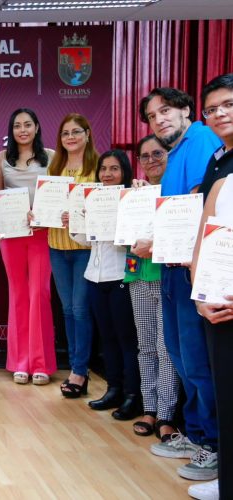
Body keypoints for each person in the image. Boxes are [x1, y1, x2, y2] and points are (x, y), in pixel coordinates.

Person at [139, 87, 221, 482]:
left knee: (196, 361)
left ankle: (214, 445)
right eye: (153, 116)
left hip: (193, 267)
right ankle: (196, 433)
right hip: (171, 266)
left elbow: (200, 202)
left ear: (188, 111)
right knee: (179, 354)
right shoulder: (175, 153)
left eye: (166, 111)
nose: (160, 120)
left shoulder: (203, 139)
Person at [187, 72, 233, 500]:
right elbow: (206, 228)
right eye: (213, 109)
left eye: (229, 105)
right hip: (216, 296)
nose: (220, 114)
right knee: (224, 387)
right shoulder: (218, 159)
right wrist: (201, 291)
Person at [73, 150, 141, 421]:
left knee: (127, 339)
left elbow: (134, 241)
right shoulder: (94, 198)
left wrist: (118, 223)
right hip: (95, 275)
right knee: (107, 338)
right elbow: (86, 241)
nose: (108, 174)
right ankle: (113, 388)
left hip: (121, 276)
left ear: (124, 171)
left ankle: (133, 395)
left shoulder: (132, 200)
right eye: (103, 169)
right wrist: (76, 222)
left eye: (114, 169)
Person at [0, 108, 57, 386]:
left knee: (39, 294)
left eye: (28, 124)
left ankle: (41, 363)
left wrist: (44, 216)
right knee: (18, 294)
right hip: (12, 236)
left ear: (37, 127)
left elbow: (57, 197)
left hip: (42, 234)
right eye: (17, 125)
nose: (23, 130)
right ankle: (20, 362)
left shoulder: (52, 157)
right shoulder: (1, 159)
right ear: (11, 130)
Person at [38, 113, 98, 398]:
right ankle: (76, 366)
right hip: (57, 246)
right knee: (67, 310)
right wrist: (37, 214)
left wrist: (80, 215)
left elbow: (105, 208)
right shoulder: (55, 166)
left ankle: (80, 370)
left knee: (81, 310)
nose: (70, 137)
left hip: (85, 249)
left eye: (76, 132)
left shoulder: (97, 167)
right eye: (65, 133)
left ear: (87, 134)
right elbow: (46, 206)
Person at [127, 135, 179, 443]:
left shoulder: (179, 192)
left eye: (157, 153)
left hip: (167, 276)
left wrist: (155, 196)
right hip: (137, 275)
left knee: (165, 348)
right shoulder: (134, 195)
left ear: (169, 155)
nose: (151, 160)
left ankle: (166, 413)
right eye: (144, 156)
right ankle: (148, 407)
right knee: (145, 346)